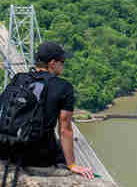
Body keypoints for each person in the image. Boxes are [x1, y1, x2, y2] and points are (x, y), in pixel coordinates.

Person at [26, 41, 94, 179]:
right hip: (37, 156)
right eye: (62, 61)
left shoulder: (19, 79)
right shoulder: (63, 87)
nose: (64, 64)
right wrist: (72, 164)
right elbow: (64, 129)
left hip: (8, 150)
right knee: (60, 154)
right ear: (52, 63)